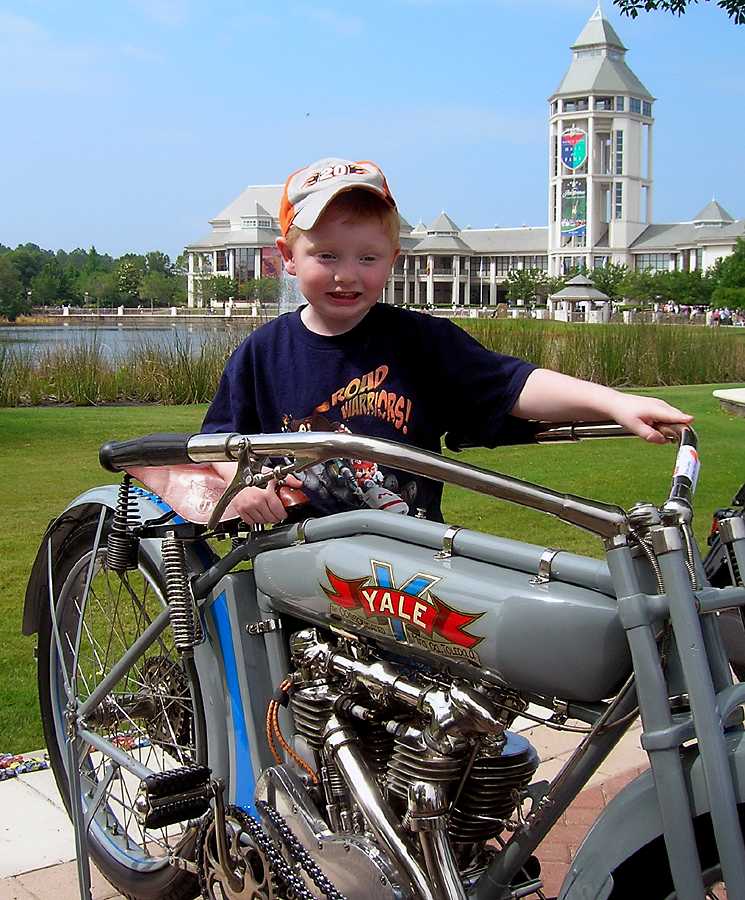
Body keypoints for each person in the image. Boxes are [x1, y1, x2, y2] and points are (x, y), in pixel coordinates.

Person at [202, 157, 691, 525]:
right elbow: (214, 444)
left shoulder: (421, 340)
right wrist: (238, 489)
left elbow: (512, 385)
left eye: (367, 258)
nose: (346, 275)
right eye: (326, 255)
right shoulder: (262, 354)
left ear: (392, 258)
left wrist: (614, 402)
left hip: (410, 561)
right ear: (288, 257)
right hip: (296, 564)